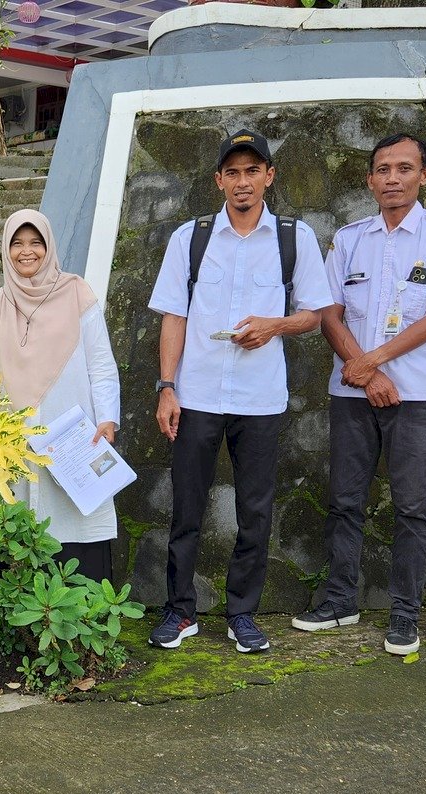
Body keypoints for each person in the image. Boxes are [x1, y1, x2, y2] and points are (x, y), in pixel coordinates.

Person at [146, 129, 334, 652]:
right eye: (233, 172)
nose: (243, 181)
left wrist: (274, 326)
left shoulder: (295, 238)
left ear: (269, 176)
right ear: (218, 180)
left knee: (255, 511)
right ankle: (180, 611)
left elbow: (314, 316)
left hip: (259, 398)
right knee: (186, 509)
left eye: (253, 170)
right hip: (197, 395)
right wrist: (166, 387)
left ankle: (242, 614)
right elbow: (173, 315)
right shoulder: (191, 238)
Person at [292, 134, 426, 656]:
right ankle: (340, 600)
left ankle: (404, 613)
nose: (392, 178)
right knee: (344, 501)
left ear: (424, 175)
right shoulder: (349, 238)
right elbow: (328, 314)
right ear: (370, 179)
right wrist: (368, 373)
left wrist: (370, 361)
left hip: (415, 393)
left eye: (404, 168)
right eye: (382, 169)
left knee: (412, 506)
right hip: (353, 391)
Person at [0, 209, 121, 582]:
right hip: (16, 435)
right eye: (17, 243)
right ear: (6, 250)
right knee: (21, 521)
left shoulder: (77, 292)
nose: (26, 252)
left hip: (74, 432)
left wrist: (108, 418)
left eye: (35, 242)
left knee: (77, 516)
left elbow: (101, 364)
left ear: (49, 246)